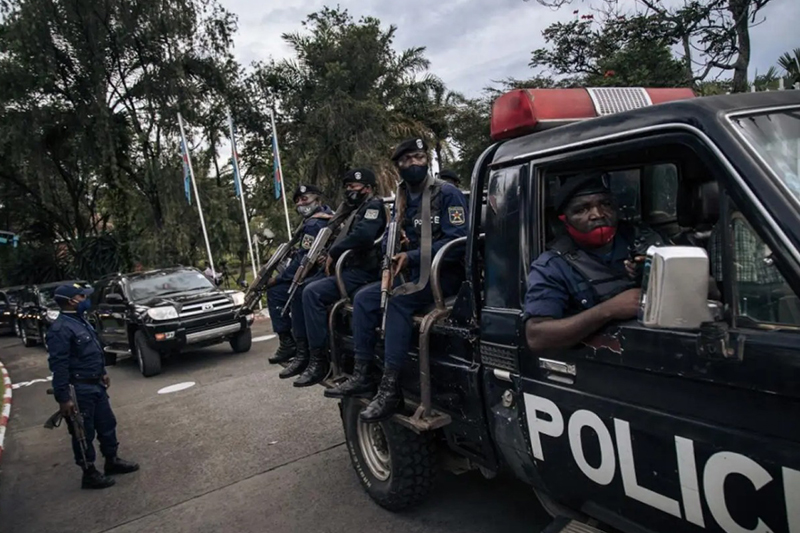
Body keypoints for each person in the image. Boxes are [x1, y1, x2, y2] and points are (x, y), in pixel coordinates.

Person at [324, 138, 469, 423]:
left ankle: (391, 388)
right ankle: (364, 373)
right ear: (398, 166)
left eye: (418, 157)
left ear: (426, 160)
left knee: (399, 300)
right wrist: (394, 248)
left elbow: (459, 242)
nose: (413, 163)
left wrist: (412, 256)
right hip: (414, 273)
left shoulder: (447, 193)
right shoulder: (402, 196)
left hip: (444, 274)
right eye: (406, 160)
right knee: (365, 298)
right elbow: (394, 238)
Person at [523, 172, 665, 352]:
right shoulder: (553, 266)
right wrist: (608, 310)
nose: (597, 214)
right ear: (564, 220)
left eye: (605, 204)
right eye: (582, 210)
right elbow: (537, 337)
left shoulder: (642, 239)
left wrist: (652, 274)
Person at [287, 168, 388, 386]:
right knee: (301, 288)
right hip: (347, 270)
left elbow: (363, 235)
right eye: (347, 187)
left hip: (363, 271)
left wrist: (334, 252)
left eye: (354, 187)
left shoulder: (373, 206)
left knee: (312, 293)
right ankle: (305, 352)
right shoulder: (353, 209)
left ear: (368, 188)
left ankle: (320, 359)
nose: (349, 191)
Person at [46, 283, 139, 489]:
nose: (86, 299)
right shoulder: (61, 329)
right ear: (72, 301)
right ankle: (89, 472)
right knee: (82, 433)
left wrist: (103, 372)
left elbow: (92, 351)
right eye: (82, 296)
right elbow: (58, 366)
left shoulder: (80, 321)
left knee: (107, 424)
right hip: (79, 389)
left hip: (95, 383)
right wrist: (63, 398)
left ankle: (111, 460)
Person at [267, 184, 333, 365]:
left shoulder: (314, 223)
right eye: (297, 201)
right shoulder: (325, 217)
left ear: (318, 200)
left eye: (305, 199)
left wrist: (278, 278)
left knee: (284, 292)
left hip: (318, 272)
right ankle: (293, 345)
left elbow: (303, 260)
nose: (301, 204)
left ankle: (298, 346)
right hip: (317, 270)